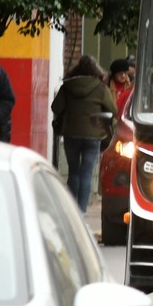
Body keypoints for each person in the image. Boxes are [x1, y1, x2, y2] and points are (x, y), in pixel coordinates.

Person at [52, 55, 118, 212]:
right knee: (86, 174)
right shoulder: (101, 88)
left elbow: (56, 107)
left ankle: (71, 209)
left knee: (73, 172)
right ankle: (81, 211)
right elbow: (113, 110)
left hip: (71, 134)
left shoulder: (67, 86)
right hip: (93, 135)